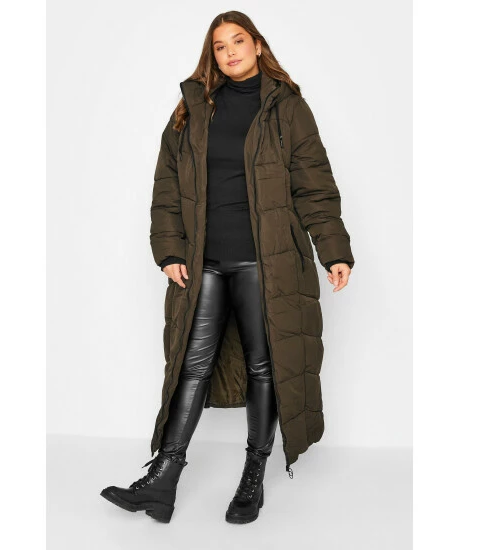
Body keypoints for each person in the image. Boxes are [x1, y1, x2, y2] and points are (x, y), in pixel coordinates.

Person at [101, 10, 355, 524]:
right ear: (212, 55)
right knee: (190, 365)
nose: (230, 51)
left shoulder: (287, 108)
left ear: (258, 45)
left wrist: (334, 250)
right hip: (205, 263)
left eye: (238, 41)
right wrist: (170, 251)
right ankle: (163, 479)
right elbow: (167, 185)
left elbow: (314, 183)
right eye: (220, 46)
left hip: (267, 262)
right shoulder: (194, 108)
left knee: (265, 366)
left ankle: (252, 477)